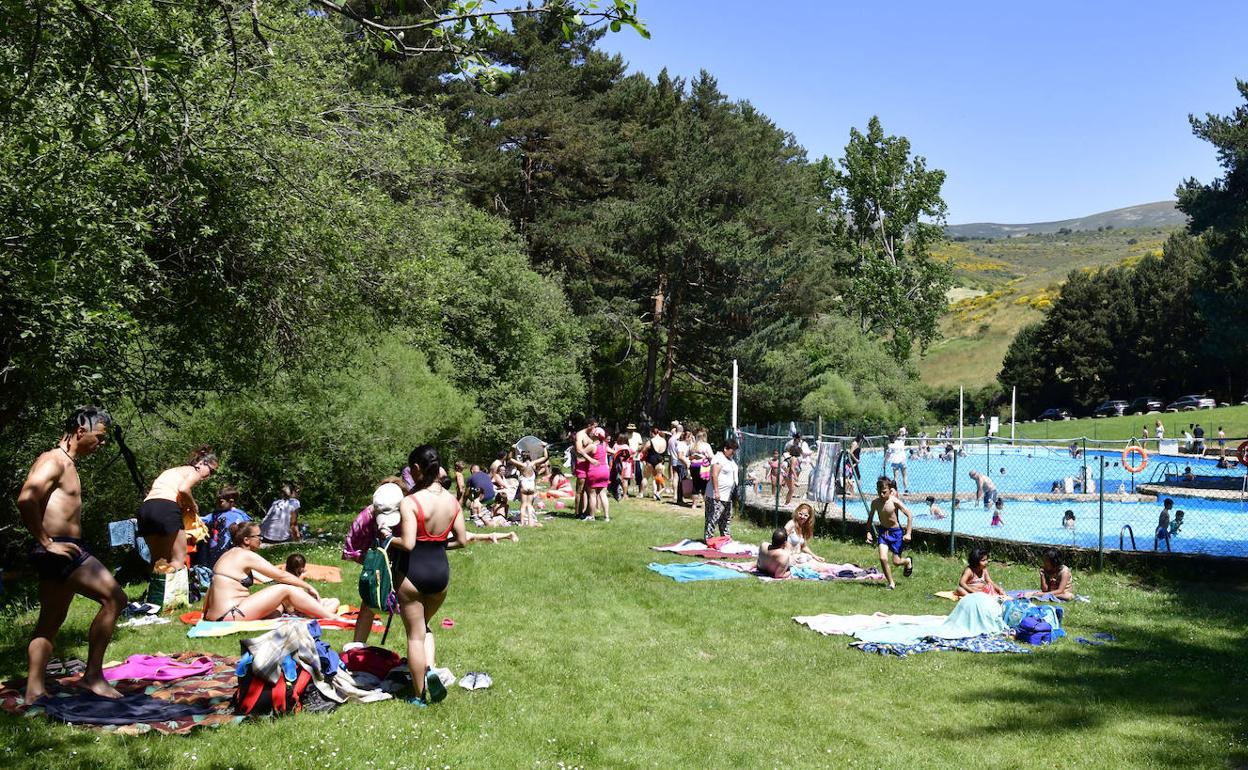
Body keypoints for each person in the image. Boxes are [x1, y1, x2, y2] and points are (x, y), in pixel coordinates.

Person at [18, 406, 128, 702]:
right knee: (115, 597)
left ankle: (34, 690)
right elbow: (26, 498)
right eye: (100, 437)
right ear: (81, 430)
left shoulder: (65, 462)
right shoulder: (53, 460)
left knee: (50, 620)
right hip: (59, 548)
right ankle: (92, 677)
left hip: (57, 548)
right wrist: (47, 542)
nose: (101, 444)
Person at [389, 445, 472, 706]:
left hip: (412, 573)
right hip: (439, 574)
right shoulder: (452, 501)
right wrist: (437, 544)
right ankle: (430, 670)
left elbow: (409, 543)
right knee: (424, 626)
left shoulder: (410, 502)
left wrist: (388, 539)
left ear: (416, 469)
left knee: (414, 635)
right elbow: (461, 541)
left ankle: (418, 695)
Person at [203, 522, 335, 622]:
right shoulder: (246, 555)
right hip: (231, 615)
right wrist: (308, 586)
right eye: (258, 536)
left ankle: (312, 611)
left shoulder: (227, 555)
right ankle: (331, 617)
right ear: (246, 540)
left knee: (278, 607)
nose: (261, 539)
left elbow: (212, 587)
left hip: (217, 616)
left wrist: (204, 615)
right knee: (284, 589)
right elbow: (281, 575)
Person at [139, 446, 219, 570]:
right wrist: (194, 506)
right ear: (201, 463)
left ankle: (156, 589)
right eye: (211, 471)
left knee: (158, 561)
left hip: (146, 509)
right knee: (178, 559)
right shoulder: (194, 471)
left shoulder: (172, 471)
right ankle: (176, 590)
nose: (209, 477)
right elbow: (183, 489)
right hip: (166, 508)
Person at [864, 476, 914, 590]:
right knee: (883, 558)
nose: (881, 495)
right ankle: (891, 583)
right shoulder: (875, 503)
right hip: (884, 533)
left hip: (896, 533)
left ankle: (907, 561)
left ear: (890, 490)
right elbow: (870, 518)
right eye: (879, 492)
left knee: (896, 562)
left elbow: (909, 515)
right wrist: (868, 532)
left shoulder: (894, 501)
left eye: (884, 492)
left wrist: (908, 533)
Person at [200, 486, 251, 568]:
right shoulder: (215, 514)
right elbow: (202, 520)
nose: (218, 504)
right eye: (217, 501)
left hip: (230, 547)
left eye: (221, 502)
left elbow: (243, 531)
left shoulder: (237, 516)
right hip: (215, 547)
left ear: (231, 501)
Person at [704, 438, 740, 540]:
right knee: (713, 518)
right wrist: (716, 492)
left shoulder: (730, 460)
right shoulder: (718, 458)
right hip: (716, 496)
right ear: (725, 449)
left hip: (728, 496)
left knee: (726, 519)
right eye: (732, 450)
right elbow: (714, 475)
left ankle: (726, 538)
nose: (734, 453)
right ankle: (708, 539)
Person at [508, 447, 548, 528]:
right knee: (529, 505)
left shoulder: (521, 465)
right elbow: (545, 457)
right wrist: (544, 448)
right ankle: (530, 523)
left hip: (524, 485)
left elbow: (510, 458)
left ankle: (522, 523)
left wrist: (512, 449)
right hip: (531, 486)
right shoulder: (533, 464)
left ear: (522, 457)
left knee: (523, 505)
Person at [572, 415, 599, 516]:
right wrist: (590, 458)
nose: (595, 429)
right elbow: (579, 451)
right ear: (589, 425)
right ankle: (578, 513)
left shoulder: (593, 435)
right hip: (581, 464)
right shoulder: (580, 434)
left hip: (591, 466)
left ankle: (588, 512)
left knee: (590, 490)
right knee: (580, 490)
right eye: (594, 426)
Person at [688, 428, 712, 510]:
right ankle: (705, 504)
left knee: (695, 485)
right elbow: (711, 456)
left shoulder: (692, 445)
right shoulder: (706, 445)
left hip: (693, 466)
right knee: (704, 486)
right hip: (703, 467)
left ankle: (694, 505)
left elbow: (688, 456)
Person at [643, 426, 668, 501]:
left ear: (652, 433)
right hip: (660, 460)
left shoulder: (651, 440)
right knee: (658, 477)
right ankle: (657, 493)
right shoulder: (664, 440)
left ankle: (641, 493)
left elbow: (644, 450)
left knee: (645, 477)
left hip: (651, 459)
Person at [670, 427, 691, 507]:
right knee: (681, 482)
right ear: (687, 437)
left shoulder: (686, 445)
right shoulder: (681, 445)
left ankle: (681, 498)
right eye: (690, 437)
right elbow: (680, 456)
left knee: (682, 482)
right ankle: (680, 499)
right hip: (681, 465)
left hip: (683, 465)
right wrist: (687, 464)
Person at [626, 423, 644, 497]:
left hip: (636, 456)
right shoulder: (626, 435)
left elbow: (640, 444)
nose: (631, 430)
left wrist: (639, 449)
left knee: (638, 473)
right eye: (629, 429)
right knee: (627, 474)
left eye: (632, 429)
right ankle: (625, 491)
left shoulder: (637, 435)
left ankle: (640, 492)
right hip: (628, 457)